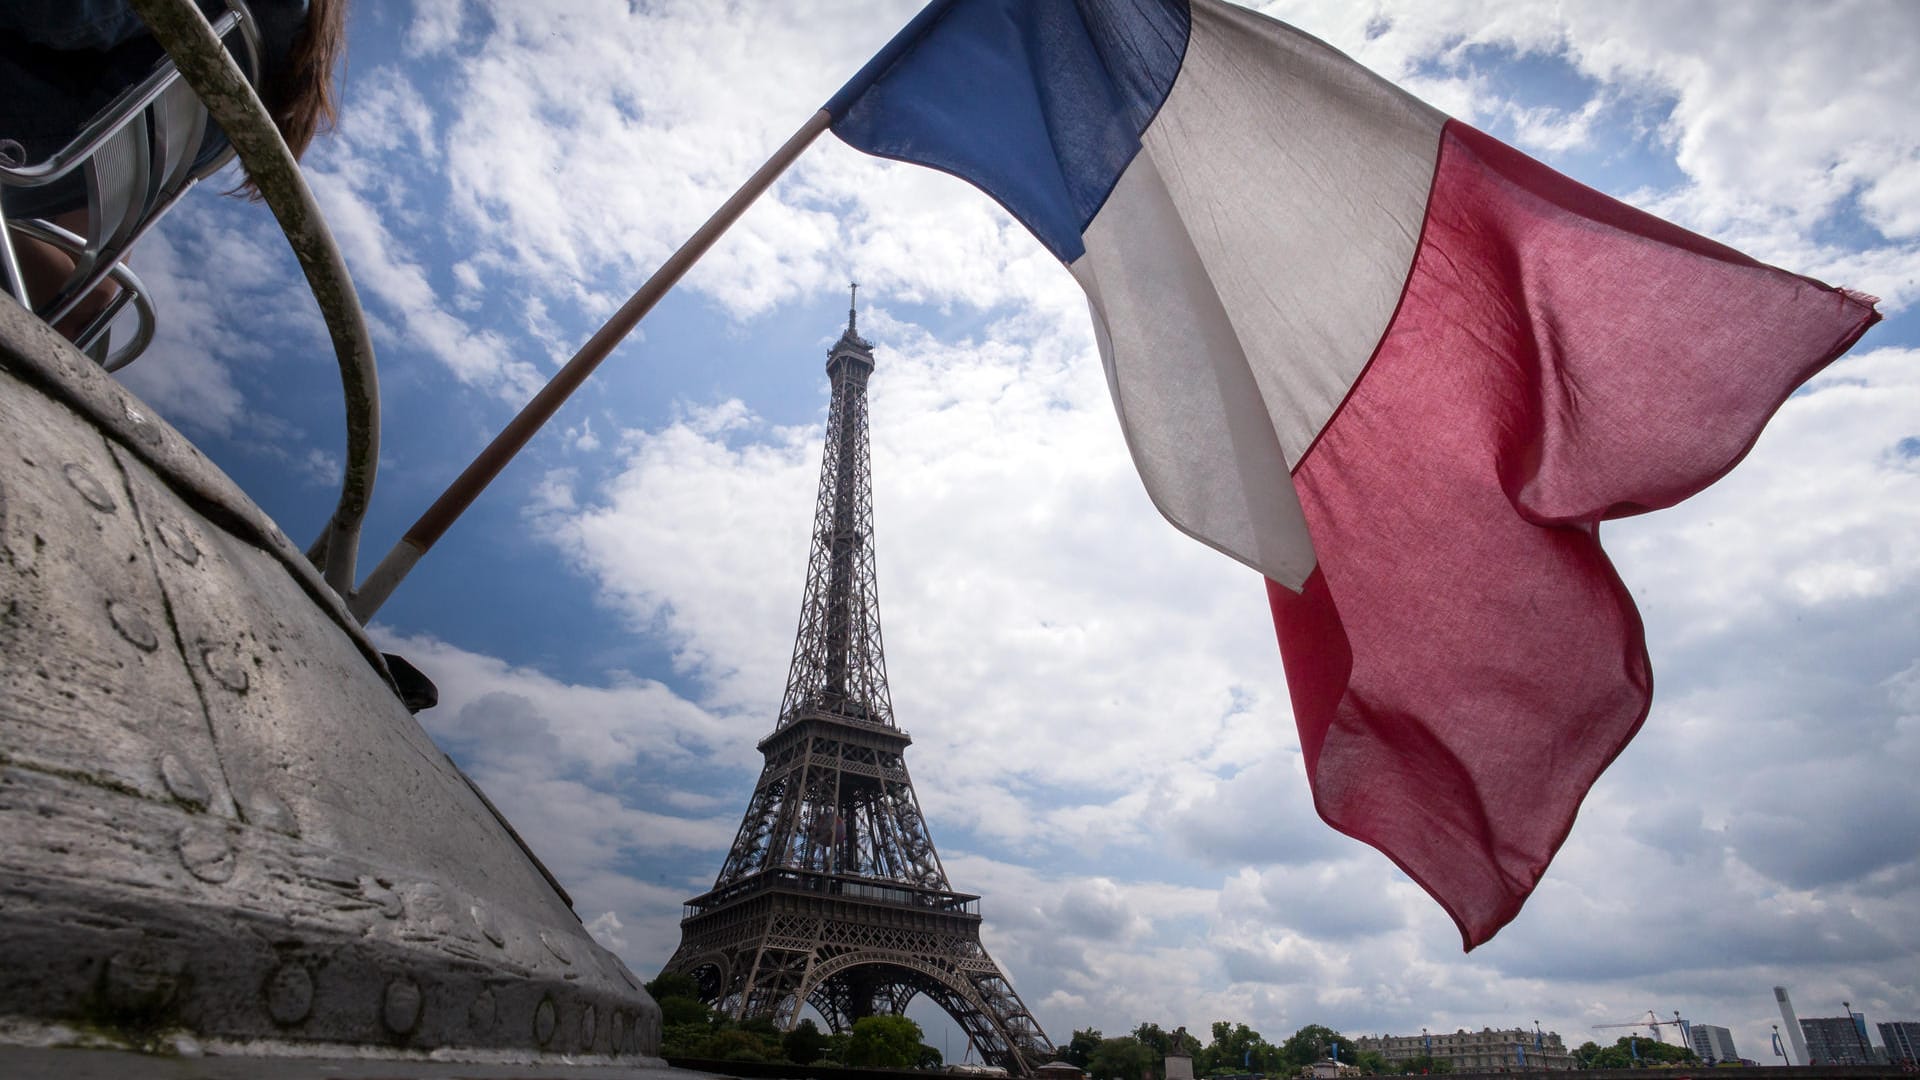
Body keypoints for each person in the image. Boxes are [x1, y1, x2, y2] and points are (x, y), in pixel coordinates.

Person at [0, 0, 346, 339]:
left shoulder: (233, 24)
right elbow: (90, 290)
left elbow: (61, 15)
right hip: (32, 178)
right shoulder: (263, 67)